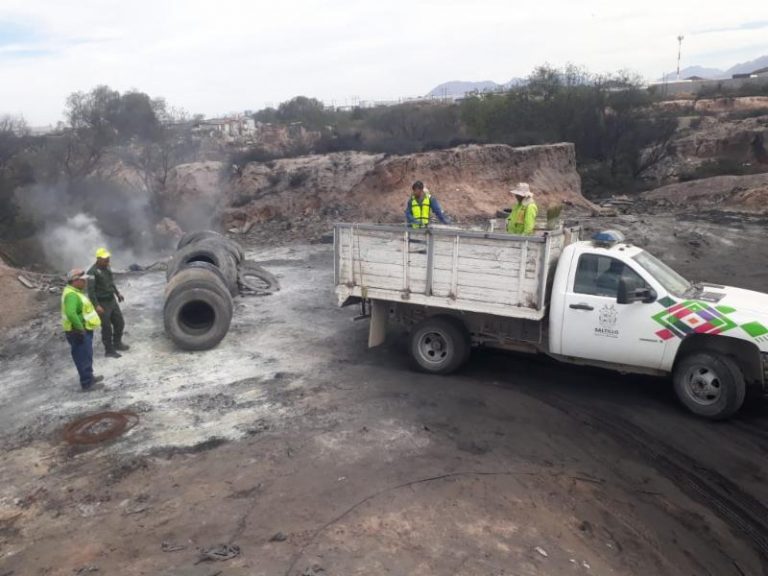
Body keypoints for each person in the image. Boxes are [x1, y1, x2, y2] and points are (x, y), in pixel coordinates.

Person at [62, 268, 104, 392]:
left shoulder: (74, 291)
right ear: (75, 281)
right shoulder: (71, 295)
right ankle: (87, 383)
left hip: (81, 329)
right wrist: (80, 328)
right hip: (77, 331)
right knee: (82, 357)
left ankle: (89, 377)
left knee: (87, 354)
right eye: (83, 280)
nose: (85, 282)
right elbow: (70, 313)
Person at [88, 248, 130, 358]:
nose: (108, 261)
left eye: (108, 259)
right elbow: (91, 292)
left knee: (119, 322)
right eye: (105, 259)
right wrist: (96, 305)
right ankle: (109, 350)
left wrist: (117, 293)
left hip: (111, 300)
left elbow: (111, 282)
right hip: (102, 303)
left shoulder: (107, 268)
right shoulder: (92, 272)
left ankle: (117, 343)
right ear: (98, 259)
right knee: (106, 327)